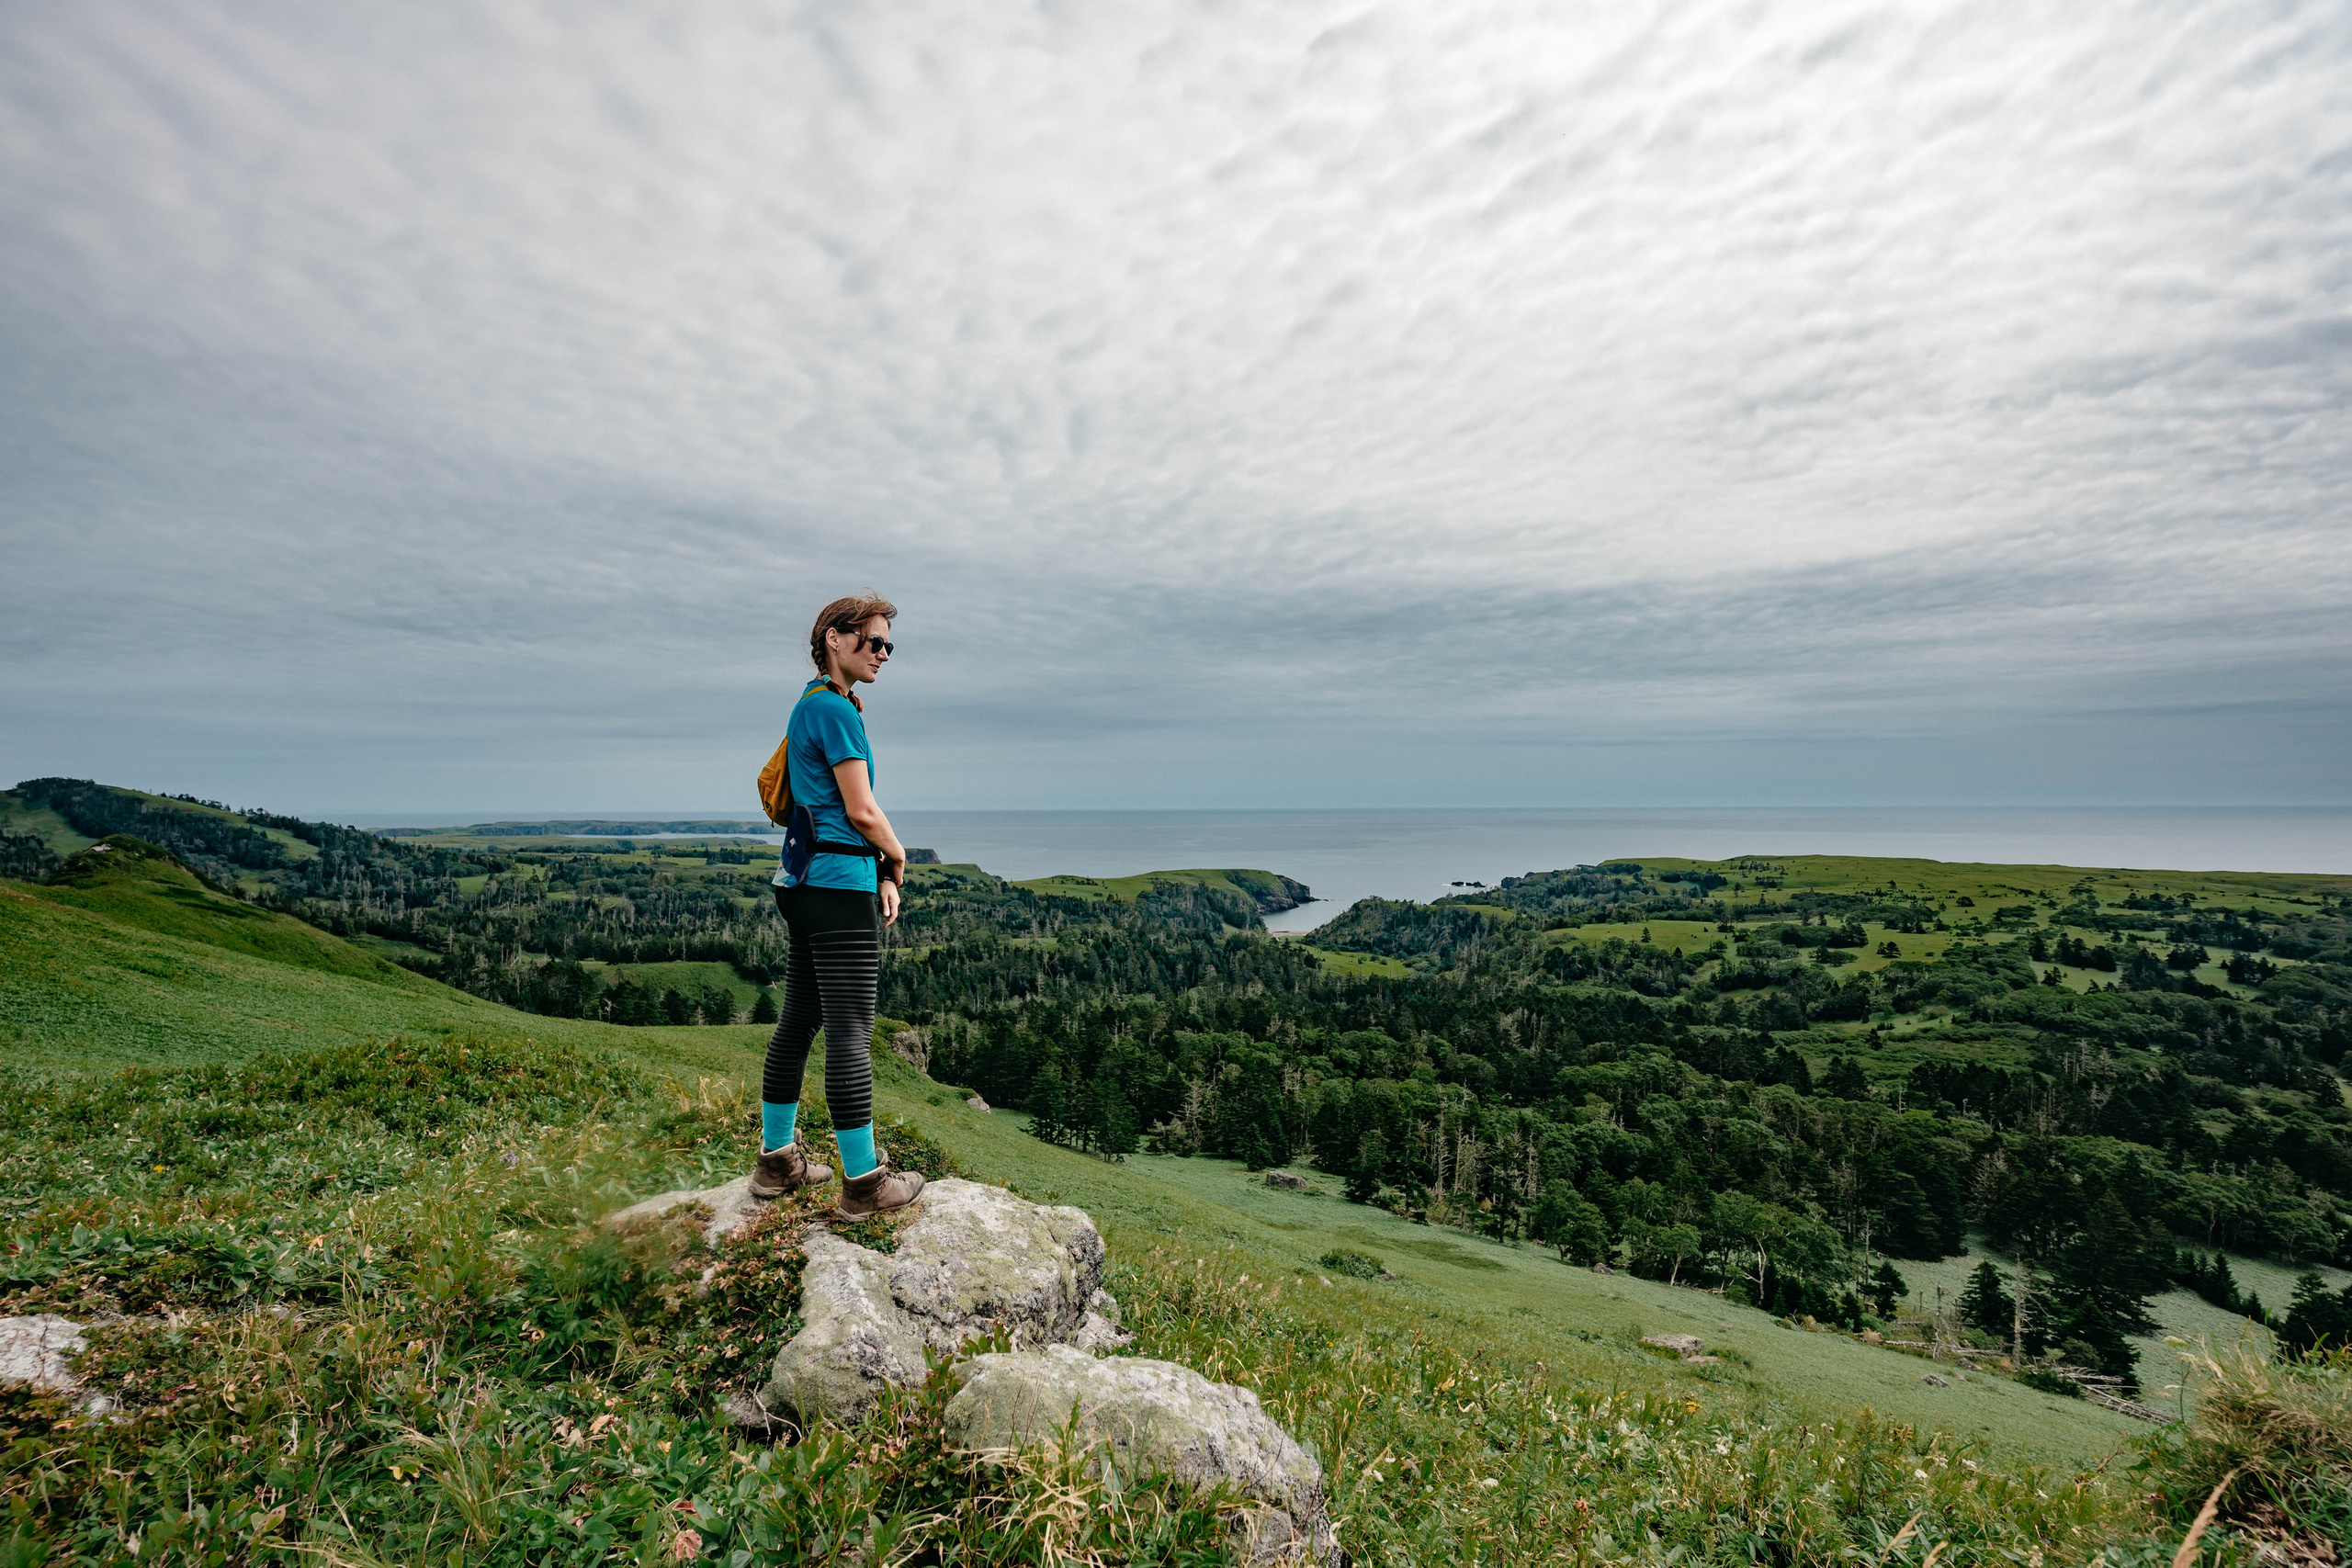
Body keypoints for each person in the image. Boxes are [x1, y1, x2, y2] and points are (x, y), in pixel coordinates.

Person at [749, 592, 927, 1219]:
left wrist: (876, 866)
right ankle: (865, 1182)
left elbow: (831, 812)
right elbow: (860, 810)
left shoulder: (815, 705)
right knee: (851, 1031)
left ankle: (777, 1162)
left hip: (804, 883)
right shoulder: (836, 711)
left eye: (887, 645)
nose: (882, 653)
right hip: (834, 889)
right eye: (872, 641)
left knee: (799, 1021)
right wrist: (898, 856)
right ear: (834, 638)